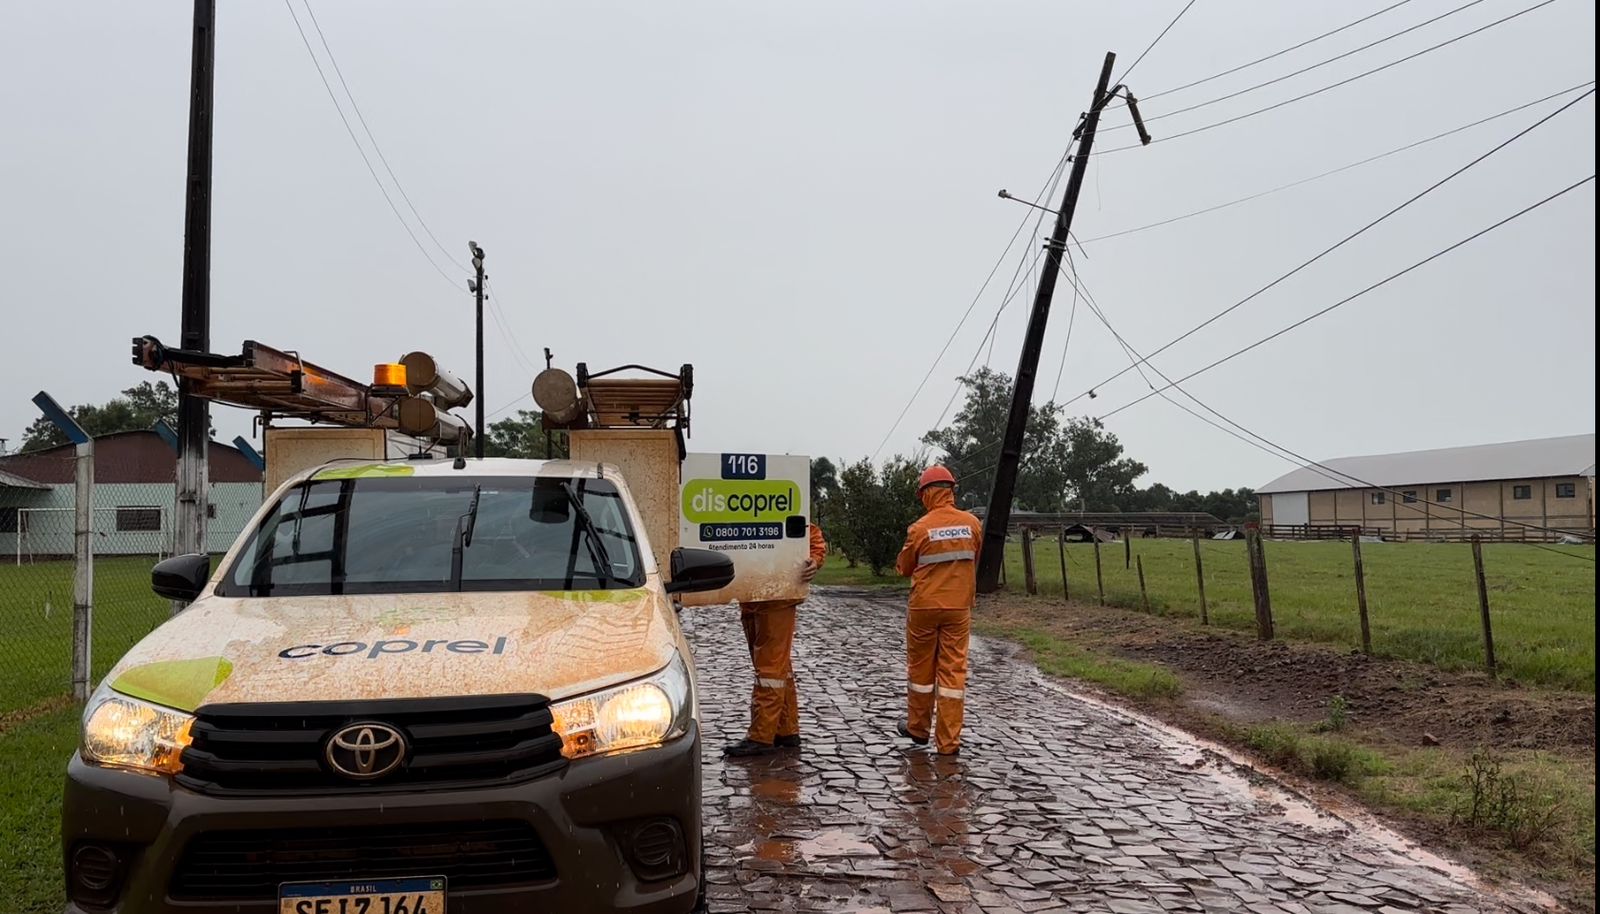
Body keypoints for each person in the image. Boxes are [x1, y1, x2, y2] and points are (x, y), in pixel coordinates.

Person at [894, 466, 982, 756]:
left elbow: (904, 567)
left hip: (924, 607)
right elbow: (975, 558)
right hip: (958, 607)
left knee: (920, 670)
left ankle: (918, 728)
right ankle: (948, 743)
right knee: (953, 673)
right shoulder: (972, 524)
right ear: (951, 490)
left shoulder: (919, 528)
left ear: (925, 494)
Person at [723, 522, 828, 758]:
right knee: (778, 668)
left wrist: (814, 559)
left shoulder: (783, 504)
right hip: (752, 596)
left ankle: (761, 736)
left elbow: (809, 534)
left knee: (769, 670)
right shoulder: (744, 510)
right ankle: (786, 730)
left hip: (776, 596)